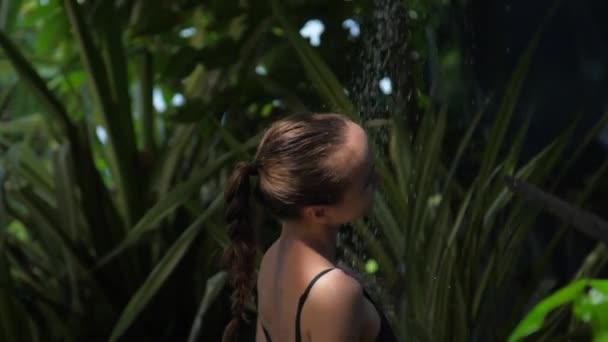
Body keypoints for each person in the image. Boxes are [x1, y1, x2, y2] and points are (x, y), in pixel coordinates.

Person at [221, 112, 398, 342]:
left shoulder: (271, 261)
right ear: (319, 212)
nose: (381, 179)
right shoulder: (334, 294)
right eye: (367, 182)